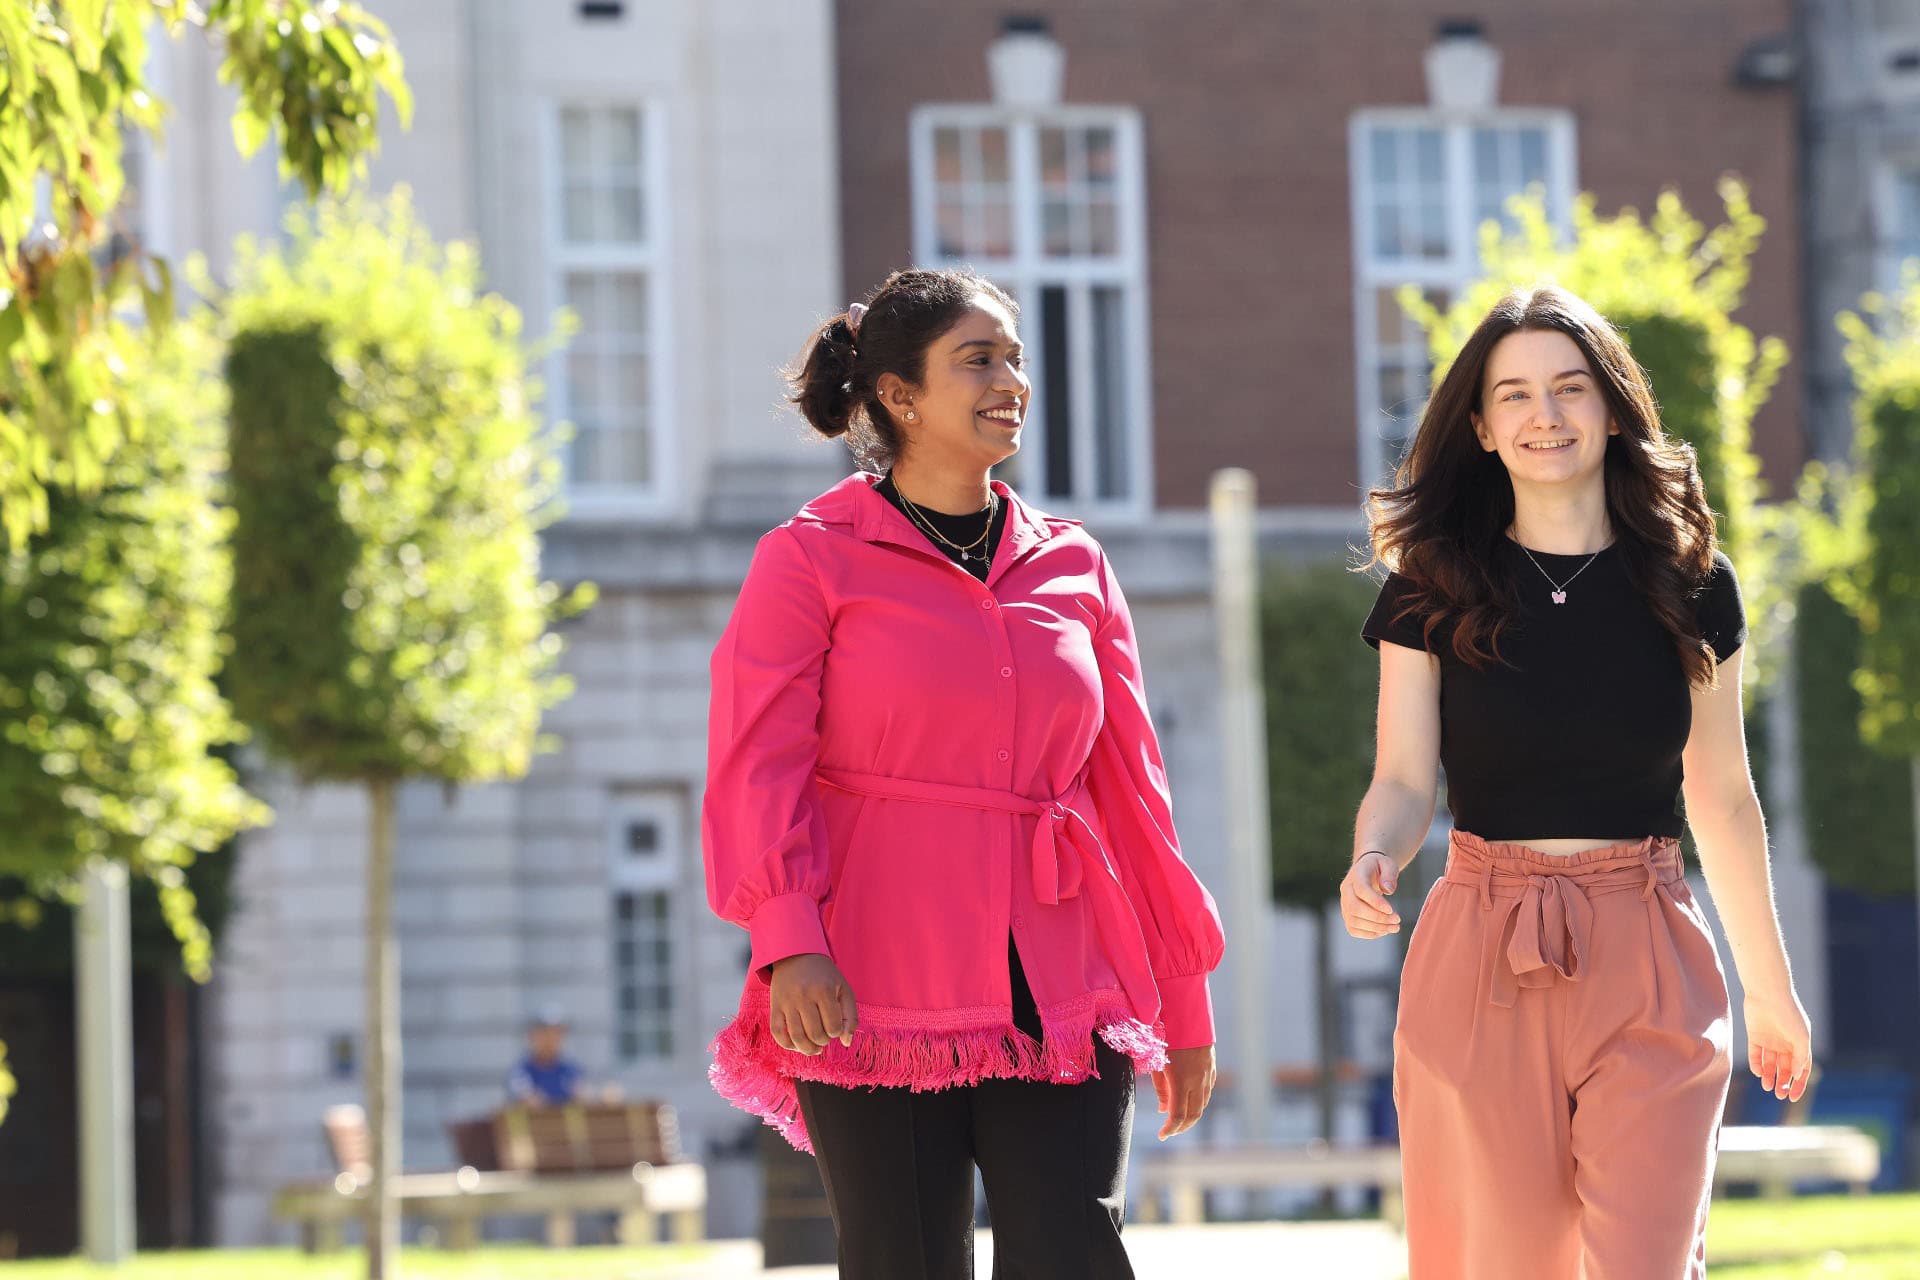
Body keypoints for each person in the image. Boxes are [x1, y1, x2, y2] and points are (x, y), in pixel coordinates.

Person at [702, 267, 1225, 1279]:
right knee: (905, 1259)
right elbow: (756, 765)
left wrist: (1183, 997)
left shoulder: (1075, 563)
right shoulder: (807, 559)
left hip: (1061, 976)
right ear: (898, 395)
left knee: (1075, 1250)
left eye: (1016, 358)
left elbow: (1134, 799)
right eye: (979, 359)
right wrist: (788, 937)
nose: (1011, 380)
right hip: (866, 978)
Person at [1344, 285, 1814, 1280]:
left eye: (1569, 388)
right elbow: (1400, 777)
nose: (1544, 416)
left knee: (1648, 1261)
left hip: (1647, 943)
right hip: (1480, 949)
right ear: (1479, 425)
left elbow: (1723, 796)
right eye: (1514, 395)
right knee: (1508, 1262)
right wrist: (1375, 854)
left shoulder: (1691, 584)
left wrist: (1771, 992)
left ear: (1611, 408)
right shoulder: (1431, 584)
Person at [505, 1007, 584, 1107]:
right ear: (532, 1036)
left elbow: (581, 1096)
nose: (550, 1039)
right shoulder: (520, 1071)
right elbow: (526, 1099)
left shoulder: (571, 1070)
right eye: (544, 1033)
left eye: (556, 1033)